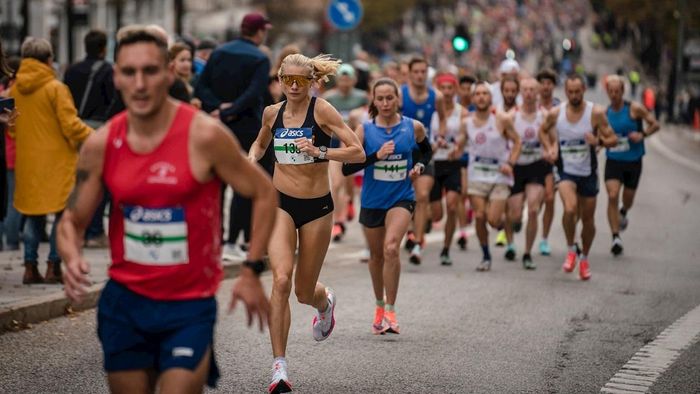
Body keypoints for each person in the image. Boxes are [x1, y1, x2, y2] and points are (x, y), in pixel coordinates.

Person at [57, 26, 277, 393]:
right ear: (117, 77)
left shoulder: (205, 136)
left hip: (188, 306)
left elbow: (263, 192)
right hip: (125, 304)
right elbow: (71, 220)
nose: (140, 83)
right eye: (129, 72)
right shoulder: (101, 144)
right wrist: (71, 256)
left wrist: (252, 268)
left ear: (169, 72)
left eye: (150, 71)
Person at [247, 53, 364, 393]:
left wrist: (321, 152)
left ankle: (324, 301)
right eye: (288, 80)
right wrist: (252, 157)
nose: (295, 87)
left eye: (301, 81)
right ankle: (279, 368)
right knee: (281, 280)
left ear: (312, 81)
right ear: (280, 80)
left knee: (302, 290)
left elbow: (356, 151)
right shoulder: (273, 112)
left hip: (317, 207)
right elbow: (261, 141)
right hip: (280, 202)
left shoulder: (322, 110)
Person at [342, 77, 431, 334]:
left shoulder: (412, 127)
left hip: (401, 197)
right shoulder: (364, 130)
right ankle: (379, 305)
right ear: (373, 100)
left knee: (391, 248)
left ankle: (391, 311)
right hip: (372, 201)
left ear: (398, 99)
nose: (384, 103)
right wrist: (375, 156)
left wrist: (419, 166)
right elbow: (348, 167)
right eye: (379, 98)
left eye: (389, 98)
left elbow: (426, 152)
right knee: (377, 256)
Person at [10, 37, 93, 284]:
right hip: (58, 162)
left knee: (33, 215)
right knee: (60, 215)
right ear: (49, 60)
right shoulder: (56, 88)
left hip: (28, 162)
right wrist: (95, 136)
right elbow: (70, 126)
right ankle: (53, 266)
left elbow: (12, 130)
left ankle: (29, 266)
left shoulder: (14, 90)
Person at [195, 12, 274, 259]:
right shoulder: (260, 58)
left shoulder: (219, 52)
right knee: (245, 182)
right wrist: (232, 110)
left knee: (215, 182)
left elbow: (201, 86)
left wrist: (217, 108)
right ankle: (234, 240)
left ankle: (215, 238)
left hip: (217, 124)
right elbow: (254, 92)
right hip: (248, 126)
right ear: (259, 31)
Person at [539, 74, 617, 281]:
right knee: (570, 208)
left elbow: (613, 139)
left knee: (588, 221)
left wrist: (598, 141)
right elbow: (543, 131)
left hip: (588, 173)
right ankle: (571, 248)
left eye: (577, 91)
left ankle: (584, 258)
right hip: (565, 171)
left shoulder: (596, 113)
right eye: (570, 92)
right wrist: (550, 148)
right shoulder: (557, 113)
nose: (574, 95)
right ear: (565, 92)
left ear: (583, 90)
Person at [64, 30, 116, 249]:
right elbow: (112, 101)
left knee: (78, 180)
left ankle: (75, 229)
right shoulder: (107, 70)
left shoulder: (72, 70)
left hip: (75, 127)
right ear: (104, 48)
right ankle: (94, 231)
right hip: (98, 129)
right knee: (99, 181)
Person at [466, 81, 521, 272]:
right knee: (480, 216)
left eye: (485, 94)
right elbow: (460, 144)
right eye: (477, 94)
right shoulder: (467, 121)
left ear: (491, 98)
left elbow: (517, 141)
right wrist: (452, 151)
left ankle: (504, 222)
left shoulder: (501, 119)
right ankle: (486, 255)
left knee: (493, 220)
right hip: (477, 176)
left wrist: (510, 163)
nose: (481, 97)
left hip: (499, 177)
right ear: (473, 99)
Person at [604, 75, 659, 256]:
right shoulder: (605, 113)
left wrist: (642, 134)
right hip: (613, 161)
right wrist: (599, 143)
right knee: (612, 195)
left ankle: (624, 210)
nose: (613, 95)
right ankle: (615, 237)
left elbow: (655, 124)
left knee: (627, 198)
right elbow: (600, 136)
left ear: (622, 92)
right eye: (610, 91)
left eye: (617, 91)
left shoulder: (634, 109)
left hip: (633, 161)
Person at [401, 56, 446, 265]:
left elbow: (443, 120)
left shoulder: (435, 96)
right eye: (416, 71)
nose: (420, 75)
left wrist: (440, 139)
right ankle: (410, 230)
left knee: (422, 195)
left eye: (423, 71)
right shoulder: (400, 95)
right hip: (402, 153)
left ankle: (418, 243)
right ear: (409, 74)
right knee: (403, 197)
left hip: (424, 152)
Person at [503, 78, 548, 269]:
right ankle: (511, 243)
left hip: (537, 165)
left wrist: (550, 150)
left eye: (532, 89)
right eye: (526, 90)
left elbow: (553, 140)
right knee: (513, 214)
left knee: (533, 209)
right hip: (516, 167)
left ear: (538, 92)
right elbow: (503, 141)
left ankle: (528, 253)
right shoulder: (511, 116)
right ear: (521, 92)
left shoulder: (545, 115)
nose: (529, 93)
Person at [323, 64, 368, 242]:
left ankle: (348, 202)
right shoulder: (329, 98)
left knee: (349, 183)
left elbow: (367, 119)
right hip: (335, 143)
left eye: (348, 78)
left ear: (354, 80)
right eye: (342, 78)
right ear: (337, 79)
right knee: (336, 184)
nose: (345, 81)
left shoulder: (361, 97)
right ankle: (339, 222)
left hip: (354, 144)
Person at [429, 73, 467, 266]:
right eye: (442, 88)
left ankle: (446, 248)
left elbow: (466, 136)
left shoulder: (462, 112)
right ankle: (424, 222)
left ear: (455, 90)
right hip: (435, 163)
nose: (446, 92)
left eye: (450, 88)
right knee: (436, 214)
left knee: (452, 205)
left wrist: (459, 149)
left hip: (452, 163)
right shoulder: (433, 112)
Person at [535, 68, 561, 256]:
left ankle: (544, 239)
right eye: (542, 83)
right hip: (533, 158)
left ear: (553, 86)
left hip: (553, 159)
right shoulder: (530, 104)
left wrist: (554, 150)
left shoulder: (559, 107)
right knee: (537, 200)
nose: (545, 87)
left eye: (549, 83)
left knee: (550, 198)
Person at [169, 42, 201, 108]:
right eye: (182, 60)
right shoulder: (169, 84)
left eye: (189, 60)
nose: (187, 64)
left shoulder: (195, 81)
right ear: (172, 61)